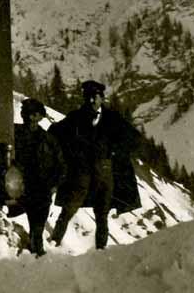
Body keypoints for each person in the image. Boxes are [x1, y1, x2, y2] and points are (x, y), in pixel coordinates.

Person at [48, 79, 140, 250]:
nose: (91, 101)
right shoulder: (75, 117)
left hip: (105, 172)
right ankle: (54, 242)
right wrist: (72, 150)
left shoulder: (113, 118)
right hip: (81, 173)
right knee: (69, 209)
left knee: (102, 214)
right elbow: (54, 132)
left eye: (94, 97)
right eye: (88, 97)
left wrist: (115, 152)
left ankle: (101, 250)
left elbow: (133, 138)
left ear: (101, 98)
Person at [12, 97, 64, 256]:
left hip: (41, 190)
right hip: (22, 189)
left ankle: (36, 252)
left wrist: (53, 185)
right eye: (24, 113)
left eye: (31, 114)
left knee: (37, 229)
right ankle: (35, 252)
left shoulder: (48, 139)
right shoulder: (13, 133)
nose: (26, 116)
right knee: (35, 228)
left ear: (38, 116)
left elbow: (61, 166)